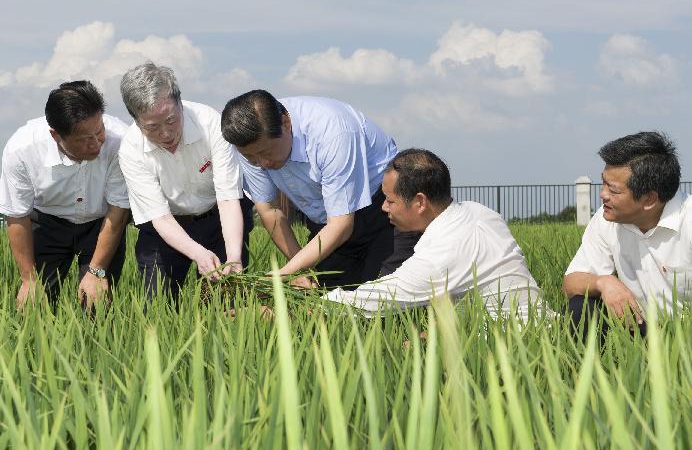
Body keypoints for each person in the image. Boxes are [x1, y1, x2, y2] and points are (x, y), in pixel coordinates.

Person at [220, 89, 420, 290]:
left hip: (381, 212)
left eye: (266, 153)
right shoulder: (250, 143)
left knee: (381, 298)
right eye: (250, 157)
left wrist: (286, 272)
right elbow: (269, 211)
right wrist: (301, 269)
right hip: (325, 222)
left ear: (286, 124)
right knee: (331, 302)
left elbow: (342, 224)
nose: (261, 163)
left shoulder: (332, 132)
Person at [324, 149, 542, 319]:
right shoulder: (481, 213)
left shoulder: (442, 254)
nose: (384, 208)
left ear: (420, 202)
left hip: (505, 346)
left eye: (390, 201)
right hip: (536, 327)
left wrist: (316, 301)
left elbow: (378, 299)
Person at [118, 63, 253, 298]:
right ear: (137, 121)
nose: (165, 133)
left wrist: (233, 257)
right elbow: (160, 217)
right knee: (158, 305)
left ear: (180, 103)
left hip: (218, 219)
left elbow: (229, 198)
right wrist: (198, 254)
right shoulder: (131, 149)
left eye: (171, 120)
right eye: (152, 127)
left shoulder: (211, 123)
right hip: (166, 226)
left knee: (227, 301)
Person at [0, 80, 131, 308]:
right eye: (84, 139)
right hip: (48, 222)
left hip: (101, 223)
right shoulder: (22, 150)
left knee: (97, 303)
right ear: (56, 136)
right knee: (37, 306)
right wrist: (28, 279)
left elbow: (118, 208)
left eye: (99, 131)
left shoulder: (121, 141)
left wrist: (96, 271)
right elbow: (17, 215)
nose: (96, 143)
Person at [563, 131, 689, 339]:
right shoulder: (607, 219)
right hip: (636, 330)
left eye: (613, 190)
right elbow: (571, 282)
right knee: (581, 306)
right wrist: (603, 282)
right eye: (603, 183)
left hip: (684, 338)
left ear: (649, 199)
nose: (603, 194)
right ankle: (589, 370)